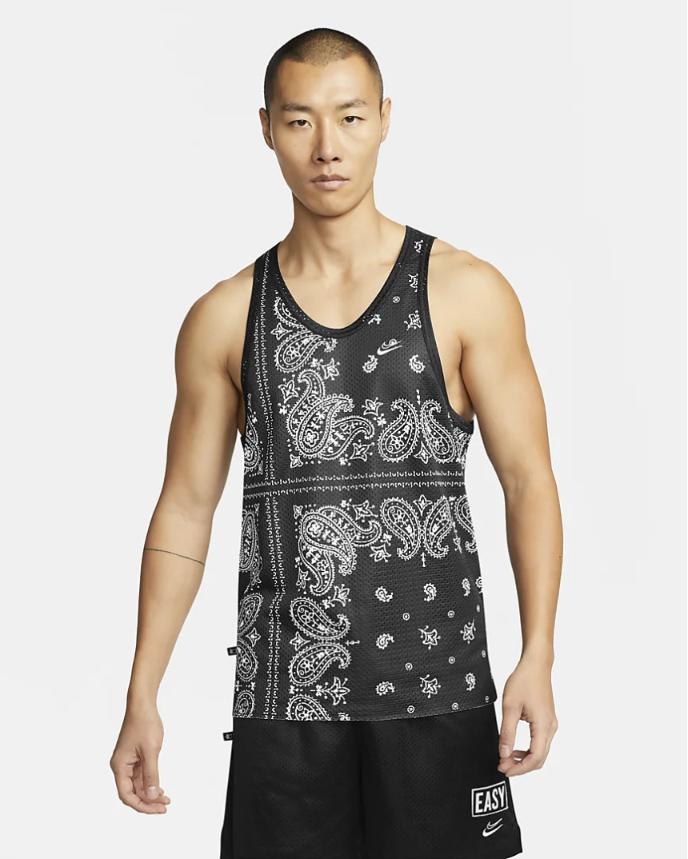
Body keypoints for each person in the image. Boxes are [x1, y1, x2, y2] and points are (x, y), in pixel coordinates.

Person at [110, 26, 562, 859]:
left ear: (385, 118)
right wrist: (143, 687)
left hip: (439, 688)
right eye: (300, 121)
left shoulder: (466, 291)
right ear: (266, 128)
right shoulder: (225, 317)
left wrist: (538, 654)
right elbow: (185, 508)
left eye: (350, 117)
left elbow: (529, 479)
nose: (327, 147)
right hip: (285, 703)